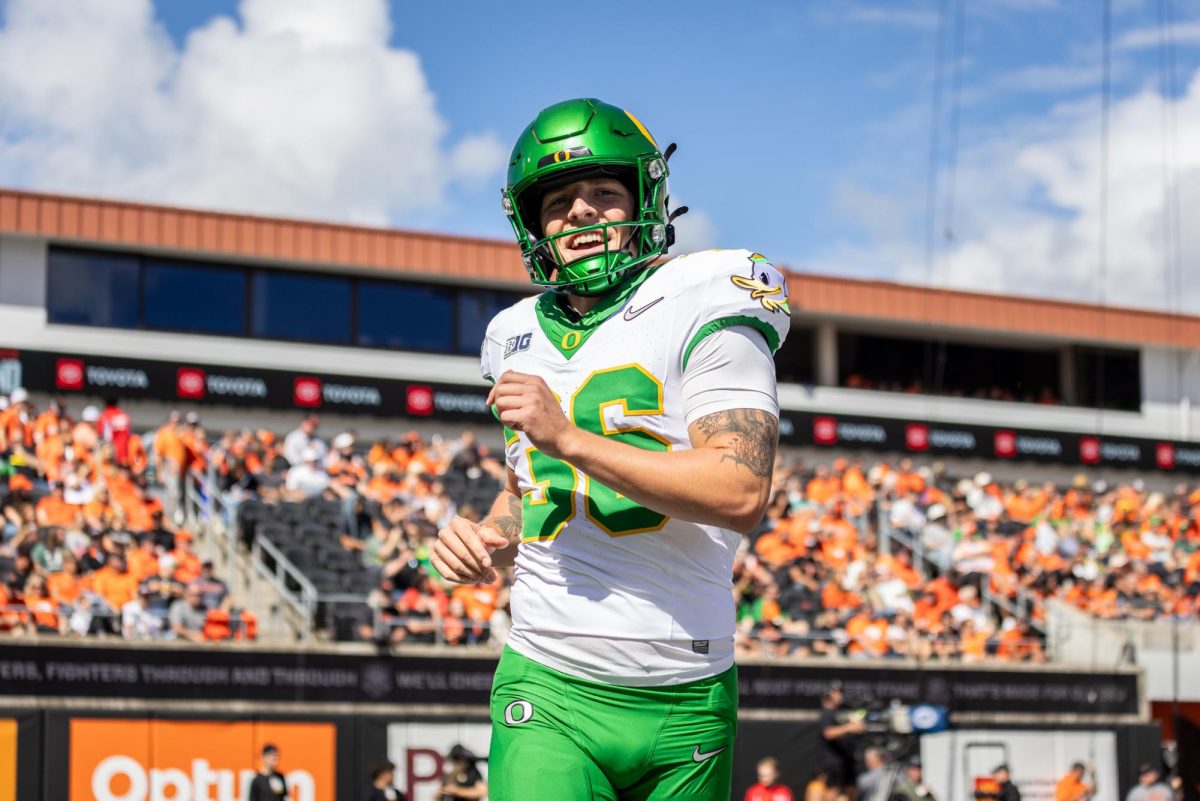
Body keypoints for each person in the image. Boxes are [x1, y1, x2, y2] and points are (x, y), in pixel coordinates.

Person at [432, 97, 790, 801]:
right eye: (559, 201)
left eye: (603, 191)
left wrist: (569, 434)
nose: (582, 211)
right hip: (550, 676)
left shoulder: (706, 294)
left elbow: (740, 489)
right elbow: (530, 487)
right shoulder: (511, 333)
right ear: (532, 225)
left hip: (687, 688)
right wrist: (487, 540)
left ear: (645, 197)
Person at [818, 682, 864, 793]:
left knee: (850, 791)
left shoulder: (838, 713)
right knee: (833, 792)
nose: (840, 695)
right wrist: (849, 727)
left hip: (846, 761)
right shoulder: (826, 713)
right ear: (829, 694)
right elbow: (828, 733)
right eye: (837, 692)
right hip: (833, 764)